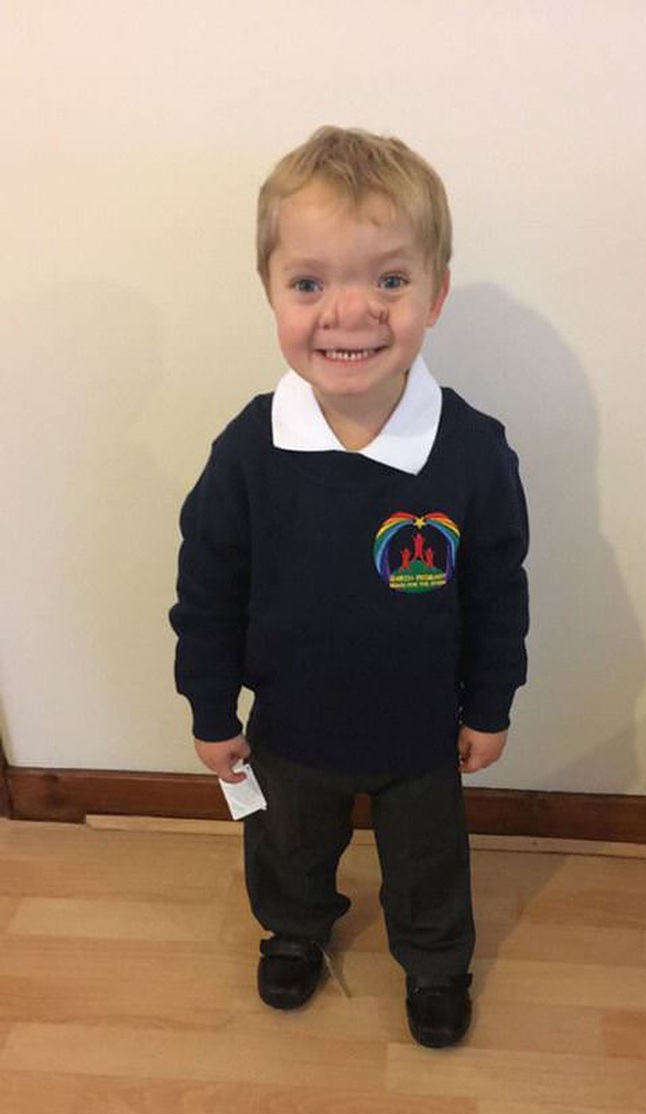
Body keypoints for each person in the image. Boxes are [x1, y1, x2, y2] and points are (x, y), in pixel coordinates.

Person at [170, 126, 529, 1048]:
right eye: (310, 283)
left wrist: (490, 705)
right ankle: (294, 931)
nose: (351, 311)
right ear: (271, 292)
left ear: (435, 295)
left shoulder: (472, 451)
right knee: (286, 848)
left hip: (422, 731)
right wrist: (210, 710)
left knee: (429, 865)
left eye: (390, 279)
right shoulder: (248, 452)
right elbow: (206, 591)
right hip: (289, 729)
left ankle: (437, 964)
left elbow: (498, 593)